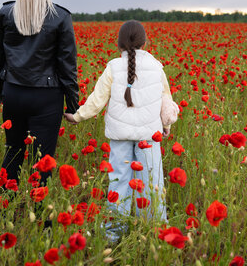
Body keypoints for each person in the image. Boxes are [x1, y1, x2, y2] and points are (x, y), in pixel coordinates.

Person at [64, 20, 175, 242]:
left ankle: (113, 235)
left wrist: (77, 116)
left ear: (120, 44)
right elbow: (166, 101)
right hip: (149, 137)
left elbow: (97, 99)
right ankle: (153, 232)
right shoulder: (156, 66)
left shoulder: (113, 67)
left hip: (120, 137)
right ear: (145, 43)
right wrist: (166, 126)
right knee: (152, 184)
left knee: (118, 184)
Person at [0, 0, 79, 188]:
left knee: (13, 155)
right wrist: (73, 106)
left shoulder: (5, 14)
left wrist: (1, 94)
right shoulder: (60, 17)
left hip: (14, 92)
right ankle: (44, 220)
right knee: (42, 162)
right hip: (46, 97)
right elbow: (67, 67)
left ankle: (4, 210)